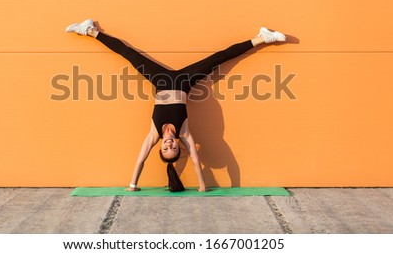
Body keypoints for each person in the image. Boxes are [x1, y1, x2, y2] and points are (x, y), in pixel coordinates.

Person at [66, 19, 286, 192]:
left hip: (160, 80)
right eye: (173, 148)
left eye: (165, 148)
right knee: (220, 57)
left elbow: (141, 158)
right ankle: (261, 38)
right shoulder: (185, 133)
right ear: (179, 147)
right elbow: (196, 159)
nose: (169, 145)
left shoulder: (154, 133)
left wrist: (132, 185)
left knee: (128, 54)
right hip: (184, 82)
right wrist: (202, 186)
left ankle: (90, 30)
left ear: (161, 146)